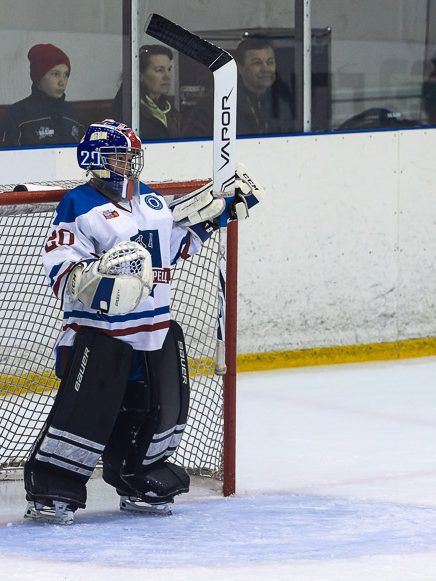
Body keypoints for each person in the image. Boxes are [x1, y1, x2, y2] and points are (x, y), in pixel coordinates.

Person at [23, 119, 262, 524]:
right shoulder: (79, 204)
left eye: (132, 155)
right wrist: (97, 275)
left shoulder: (151, 202)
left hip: (154, 332)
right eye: (120, 156)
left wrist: (212, 215)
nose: (129, 163)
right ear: (95, 159)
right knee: (85, 416)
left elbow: (173, 248)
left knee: (159, 412)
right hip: (100, 336)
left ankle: (140, 477)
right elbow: (63, 270)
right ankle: (52, 487)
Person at [0, 43, 84, 147]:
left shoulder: (73, 115)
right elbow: (3, 158)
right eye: (56, 74)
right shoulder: (17, 115)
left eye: (66, 75)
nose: (62, 82)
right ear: (38, 76)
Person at [111, 45, 183, 140]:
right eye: (159, 70)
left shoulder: (166, 106)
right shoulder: (128, 108)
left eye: (169, 69)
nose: (167, 76)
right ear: (140, 75)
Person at [233, 37, 297, 136]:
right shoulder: (223, 103)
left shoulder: (284, 101)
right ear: (240, 68)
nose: (266, 69)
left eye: (270, 62)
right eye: (257, 63)